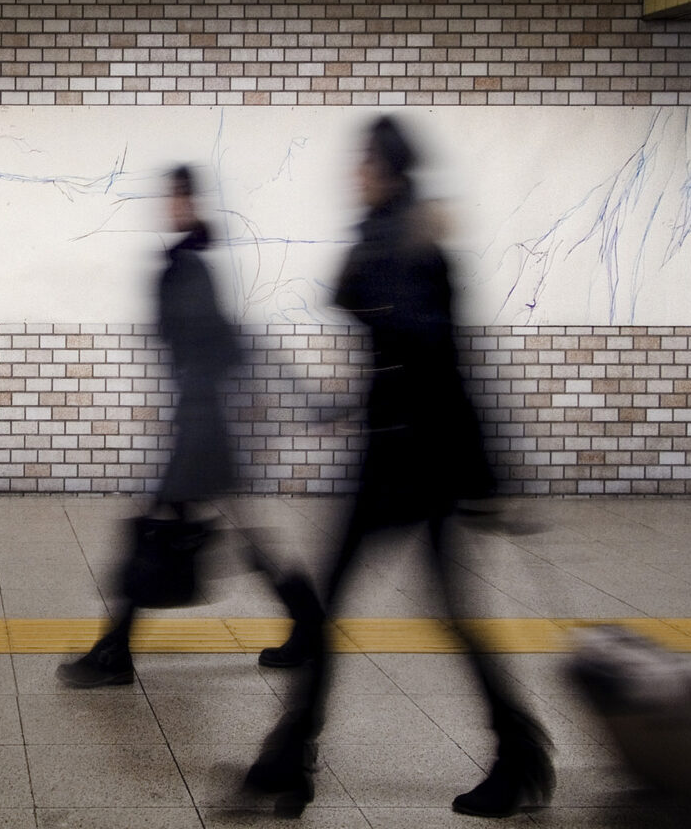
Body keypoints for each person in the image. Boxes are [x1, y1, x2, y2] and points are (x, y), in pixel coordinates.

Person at [244, 115, 554, 818]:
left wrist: (486, 477)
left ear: (385, 168)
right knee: (385, 612)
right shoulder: (390, 234)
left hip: (418, 461)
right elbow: (359, 306)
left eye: (362, 161)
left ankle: (517, 758)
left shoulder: (413, 244)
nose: (353, 171)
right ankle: (292, 757)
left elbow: (442, 361)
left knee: (423, 613)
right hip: (393, 454)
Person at [56, 164, 249, 688]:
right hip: (201, 420)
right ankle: (307, 622)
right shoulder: (188, 262)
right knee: (242, 535)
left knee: (151, 532)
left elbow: (215, 342)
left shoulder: (189, 266)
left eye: (179, 198)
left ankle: (115, 652)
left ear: (192, 202)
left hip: (201, 425)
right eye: (170, 198)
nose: (172, 206)